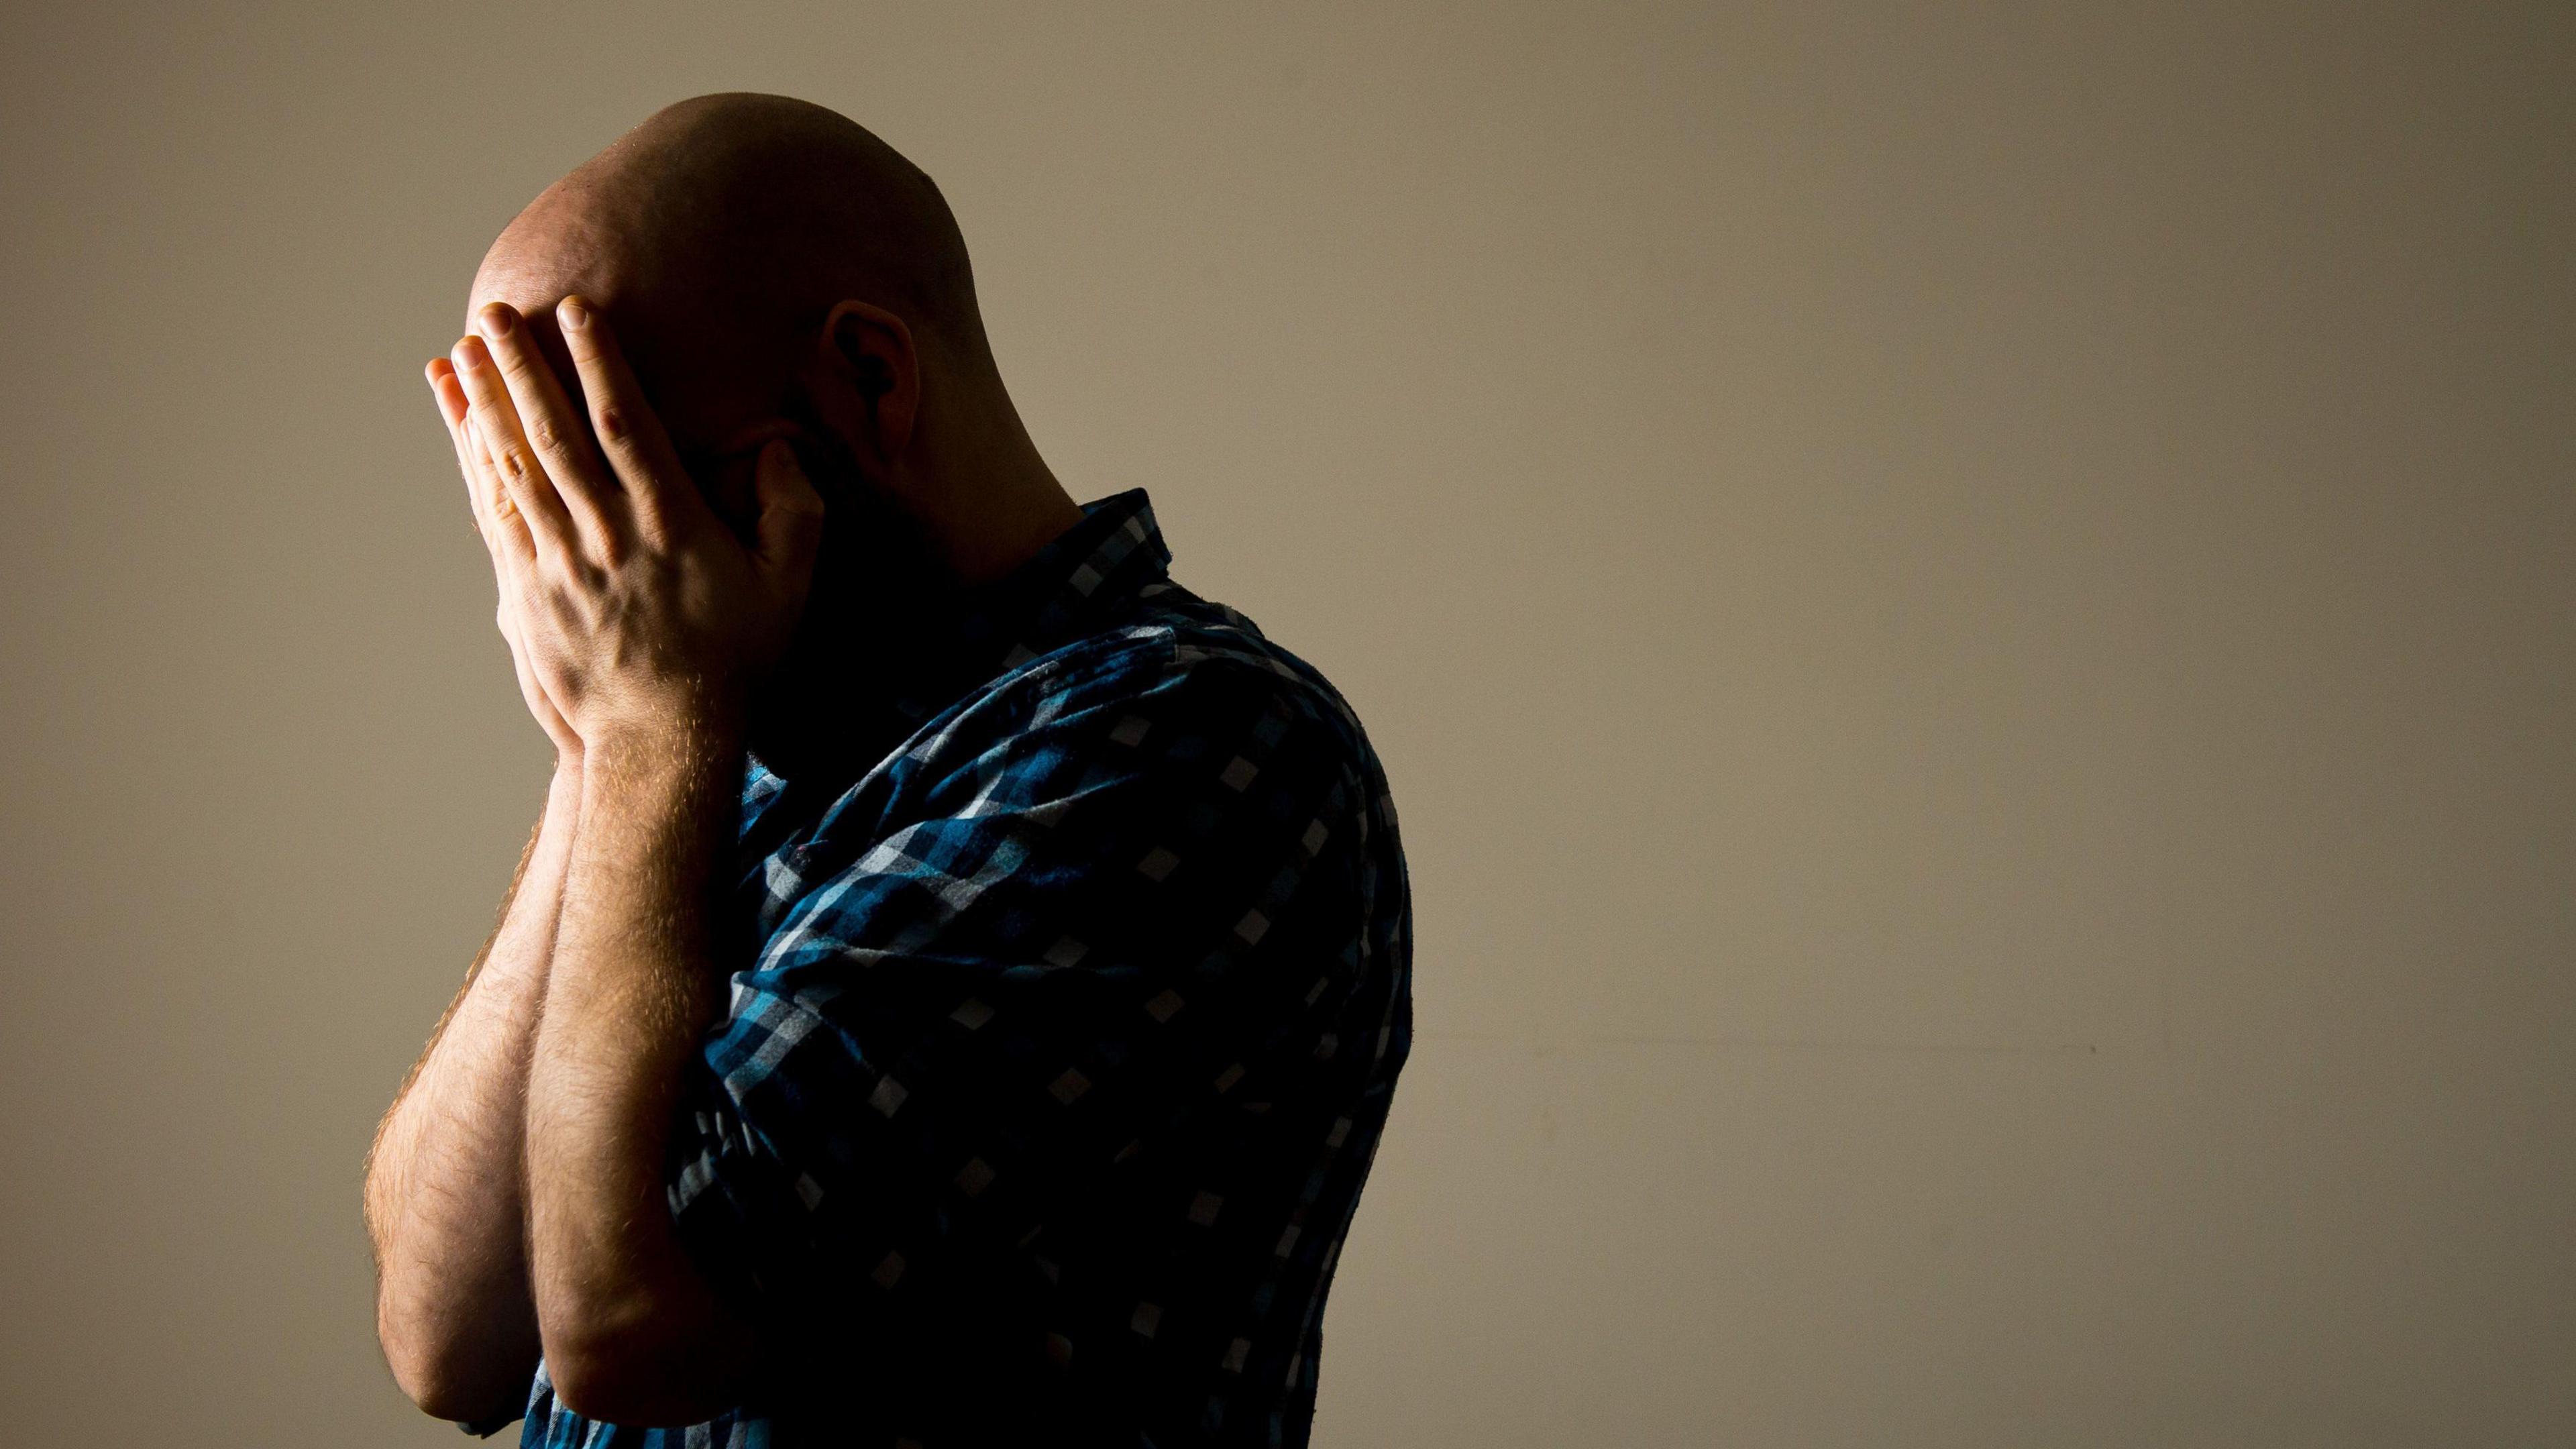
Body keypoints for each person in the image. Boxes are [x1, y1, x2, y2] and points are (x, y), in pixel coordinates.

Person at [360, 93, 1412, 1449]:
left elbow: (629, 1327)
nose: (595, 571)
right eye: (545, 514)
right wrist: (600, 744)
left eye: (626, 485)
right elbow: (447, 1340)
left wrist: (637, 731)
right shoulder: (696, 748)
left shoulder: (1187, 744)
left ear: (868, 378)